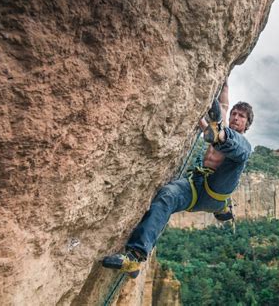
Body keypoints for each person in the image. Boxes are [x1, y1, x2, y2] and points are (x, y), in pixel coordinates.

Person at [101, 80, 254, 278]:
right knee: (167, 195)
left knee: (241, 150)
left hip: (218, 190)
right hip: (197, 185)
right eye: (234, 113)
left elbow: (228, 133)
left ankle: (223, 204)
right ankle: (135, 257)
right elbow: (223, 104)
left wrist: (217, 133)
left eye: (241, 116)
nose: (235, 117)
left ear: (247, 124)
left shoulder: (238, 140)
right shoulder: (220, 123)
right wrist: (223, 79)